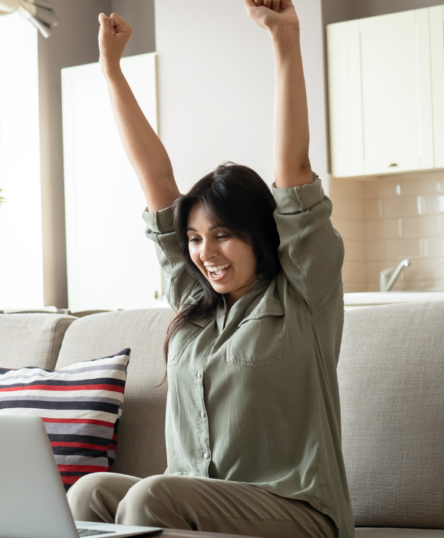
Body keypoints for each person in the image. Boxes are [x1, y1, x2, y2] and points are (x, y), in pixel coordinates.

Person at [66, 1, 355, 538]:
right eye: (195, 238)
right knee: (87, 491)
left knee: (151, 496)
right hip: (195, 504)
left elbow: (292, 171)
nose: (205, 252)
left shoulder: (302, 296)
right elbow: (155, 177)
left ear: (258, 234)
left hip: (297, 513)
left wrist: (285, 39)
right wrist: (111, 68)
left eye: (223, 234)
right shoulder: (194, 306)